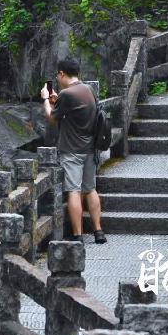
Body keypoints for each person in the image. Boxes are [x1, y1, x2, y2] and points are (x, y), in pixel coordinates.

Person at [40, 58, 107, 244]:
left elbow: (52, 118)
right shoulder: (88, 89)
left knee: (74, 191)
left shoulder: (67, 94)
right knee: (90, 189)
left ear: (62, 73)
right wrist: (57, 100)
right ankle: (98, 232)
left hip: (71, 150)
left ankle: (78, 235)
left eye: (57, 74)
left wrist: (46, 99)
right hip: (90, 148)